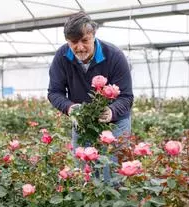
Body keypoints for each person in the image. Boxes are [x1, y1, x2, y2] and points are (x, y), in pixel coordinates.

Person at [47, 11, 133, 179]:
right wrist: (69, 107)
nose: (80, 47)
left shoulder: (114, 56)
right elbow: (54, 92)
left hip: (116, 122)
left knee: (112, 173)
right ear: (67, 41)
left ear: (93, 35)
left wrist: (112, 111)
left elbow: (127, 97)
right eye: (74, 42)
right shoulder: (62, 57)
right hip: (83, 121)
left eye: (85, 40)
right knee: (84, 173)